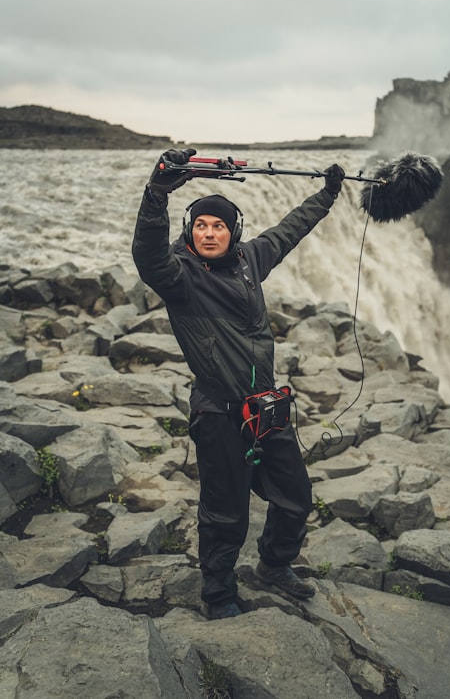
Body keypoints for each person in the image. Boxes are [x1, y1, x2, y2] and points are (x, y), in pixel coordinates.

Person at [132, 148, 345, 619]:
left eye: (219, 226)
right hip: (219, 414)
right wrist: (156, 193)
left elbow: (288, 231)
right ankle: (219, 595)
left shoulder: (251, 259)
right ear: (191, 230)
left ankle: (273, 565)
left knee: (295, 498)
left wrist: (327, 195)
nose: (209, 233)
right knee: (224, 515)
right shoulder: (178, 274)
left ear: (234, 232)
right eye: (201, 225)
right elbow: (146, 254)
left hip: (266, 408)